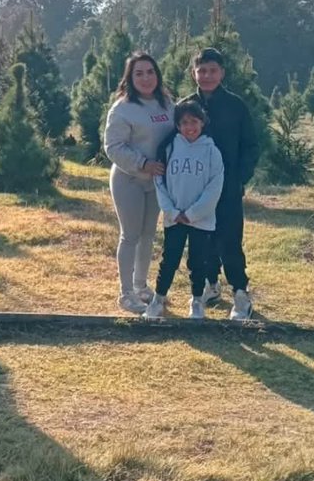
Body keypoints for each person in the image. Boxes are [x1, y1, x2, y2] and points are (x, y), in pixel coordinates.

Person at [180, 48, 260, 320]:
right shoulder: (187, 106)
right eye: (201, 71)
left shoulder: (236, 106)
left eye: (213, 70)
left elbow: (250, 146)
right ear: (194, 73)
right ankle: (209, 285)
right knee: (201, 240)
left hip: (227, 187)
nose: (207, 76)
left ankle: (240, 293)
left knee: (229, 240)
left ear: (222, 73)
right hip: (194, 189)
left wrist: (240, 178)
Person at [104, 52, 175, 313]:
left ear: (157, 74)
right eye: (139, 73)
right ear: (130, 78)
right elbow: (113, 147)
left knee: (148, 235)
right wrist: (142, 164)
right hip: (129, 180)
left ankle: (141, 286)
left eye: (150, 72)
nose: (146, 78)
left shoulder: (166, 104)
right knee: (130, 235)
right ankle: (125, 294)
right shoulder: (123, 109)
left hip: (156, 182)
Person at [145, 101, 223, 320]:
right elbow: (159, 182)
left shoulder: (212, 152)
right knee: (169, 259)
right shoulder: (168, 149)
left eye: (194, 122)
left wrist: (193, 213)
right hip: (174, 218)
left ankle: (197, 300)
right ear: (178, 126)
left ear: (202, 122)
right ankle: (158, 300)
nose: (190, 127)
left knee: (198, 261)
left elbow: (214, 187)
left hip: (201, 220)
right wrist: (171, 211)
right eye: (185, 122)